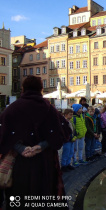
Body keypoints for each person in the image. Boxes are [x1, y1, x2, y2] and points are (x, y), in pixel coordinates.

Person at [0, 75, 71, 209]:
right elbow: (63, 131)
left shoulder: (12, 109)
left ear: (23, 89)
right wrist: (41, 146)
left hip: (19, 165)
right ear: (41, 89)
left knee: (20, 199)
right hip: (44, 164)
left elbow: (3, 133)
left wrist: (21, 148)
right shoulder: (49, 109)